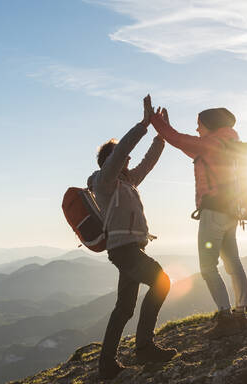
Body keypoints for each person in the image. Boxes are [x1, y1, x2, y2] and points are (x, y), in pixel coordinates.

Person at [148, 102, 247, 339]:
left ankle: (225, 317)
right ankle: (241, 314)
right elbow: (186, 145)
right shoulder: (229, 144)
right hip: (232, 213)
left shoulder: (211, 143)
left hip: (213, 213)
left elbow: (178, 140)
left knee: (207, 266)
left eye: (199, 126)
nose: (197, 130)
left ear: (210, 126)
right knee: (233, 262)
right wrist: (166, 126)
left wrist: (155, 121)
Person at [91, 95, 176, 379]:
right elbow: (121, 152)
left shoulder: (127, 181)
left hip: (129, 249)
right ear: (110, 162)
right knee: (162, 282)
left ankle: (106, 364)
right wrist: (143, 125)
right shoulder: (105, 183)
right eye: (121, 158)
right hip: (124, 250)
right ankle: (144, 347)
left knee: (124, 308)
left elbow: (148, 163)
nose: (128, 160)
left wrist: (161, 134)